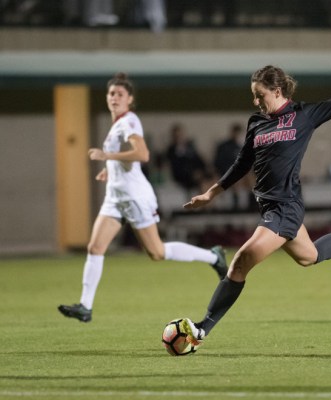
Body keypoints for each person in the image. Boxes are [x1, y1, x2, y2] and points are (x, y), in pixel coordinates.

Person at [178, 51, 331, 347]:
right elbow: (241, 164)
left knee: (240, 263)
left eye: (260, 95)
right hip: (270, 207)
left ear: (277, 91)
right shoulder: (256, 123)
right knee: (309, 257)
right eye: (253, 96)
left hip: (285, 208)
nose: (255, 102)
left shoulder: (303, 115)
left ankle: (201, 329)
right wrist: (211, 193)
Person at [58, 72, 228, 323]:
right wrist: (111, 170)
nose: (114, 97)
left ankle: (213, 256)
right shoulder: (117, 125)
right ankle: (85, 306)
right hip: (115, 198)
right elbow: (126, 158)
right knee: (95, 247)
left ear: (130, 99)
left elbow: (142, 153)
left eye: (119, 94)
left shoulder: (129, 121)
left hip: (135, 197)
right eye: (111, 93)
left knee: (156, 252)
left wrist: (107, 158)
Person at [165, 122, 211, 197]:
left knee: (212, 180)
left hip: (197, 172)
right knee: (203, 183)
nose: (179, 138)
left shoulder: (189, 146)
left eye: (180, 135)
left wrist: (203, 169)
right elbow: (177, 166)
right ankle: (205, 206)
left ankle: (208, 205)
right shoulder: (171, 150)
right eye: (177, 136)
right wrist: (192, 173)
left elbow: (198, 159)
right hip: (185, 176)